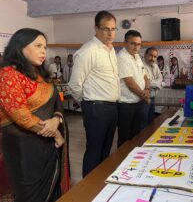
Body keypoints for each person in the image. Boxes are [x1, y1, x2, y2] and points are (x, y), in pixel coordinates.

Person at [0, 28, 70, 202]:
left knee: (52, 190)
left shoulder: (41, 75)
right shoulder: (8, 74)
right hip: (24, 149)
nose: (43, 51)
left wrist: (57, 119)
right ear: (20, 47)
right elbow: (21, 116)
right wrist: (56, 132)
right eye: (38, 46)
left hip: (47, 145)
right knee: (30, 195)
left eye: (45, 47)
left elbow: (57, 103)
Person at [68, 10, 120, 177]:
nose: (111, 33)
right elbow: (74, 84)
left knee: (106, 150)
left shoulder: (110, 49)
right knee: (94, 150)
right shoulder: (88, 50)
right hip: (96, 107)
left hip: (111, 107)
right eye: (106, 29)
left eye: (113, 29)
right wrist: (87, 103)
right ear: (96, 28)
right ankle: (87, 189)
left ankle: (99, 185)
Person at [117, 30, 150, 147]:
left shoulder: (136, 56)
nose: (136, 47)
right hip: (126, 105)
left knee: (136, 135)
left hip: (138, 102)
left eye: (139, 44)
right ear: (125, 43)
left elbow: (145, 76)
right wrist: (145, 95)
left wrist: (147, 90)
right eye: (133, 43)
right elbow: (130, 83)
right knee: (125, 137)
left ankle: (132, 161)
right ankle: (121, 162)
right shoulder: (122, 57)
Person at [143, 47, 163, 124]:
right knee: (143, 123)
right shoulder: (141, 66)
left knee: (151, 122)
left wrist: (156, 83)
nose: (153, 58)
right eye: (150, 55)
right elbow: (146, 83)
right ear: (145, 55)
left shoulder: (155, 65)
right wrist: (159, 84)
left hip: (153, 98)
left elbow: (160, 77)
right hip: (144, 99)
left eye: (155, 56)